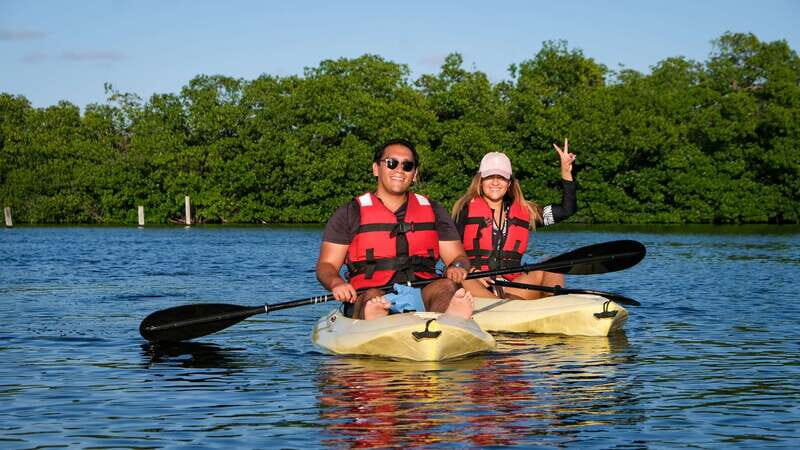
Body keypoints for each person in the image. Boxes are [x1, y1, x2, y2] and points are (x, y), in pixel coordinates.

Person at [316, 139, 475, 320]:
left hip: (423, 292)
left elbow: (458, 257)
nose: (399, 170)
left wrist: (458, 267)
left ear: (414, 174)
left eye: (407, 166)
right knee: (372, 296)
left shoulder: (434, 210)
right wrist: (336, 283)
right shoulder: (349, 212)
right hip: (370, 291)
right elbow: (326, 265)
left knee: (446, 287)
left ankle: (452, 318)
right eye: (391, 163)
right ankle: (376, 315)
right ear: (376, 168)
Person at [452, 139, 577, 300]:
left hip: (512, 288)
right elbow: (448, 249)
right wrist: (471, 271)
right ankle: (498, 306)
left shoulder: (526, 212)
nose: (495, 182)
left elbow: (567, 210)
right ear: (480, 180)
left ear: (509, 183)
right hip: (474, 284)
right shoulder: (464, 210)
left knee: (551, 263)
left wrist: (566, 172)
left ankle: (555, 304)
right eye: (490, 177)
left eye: (501, 178)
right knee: (459, 275)